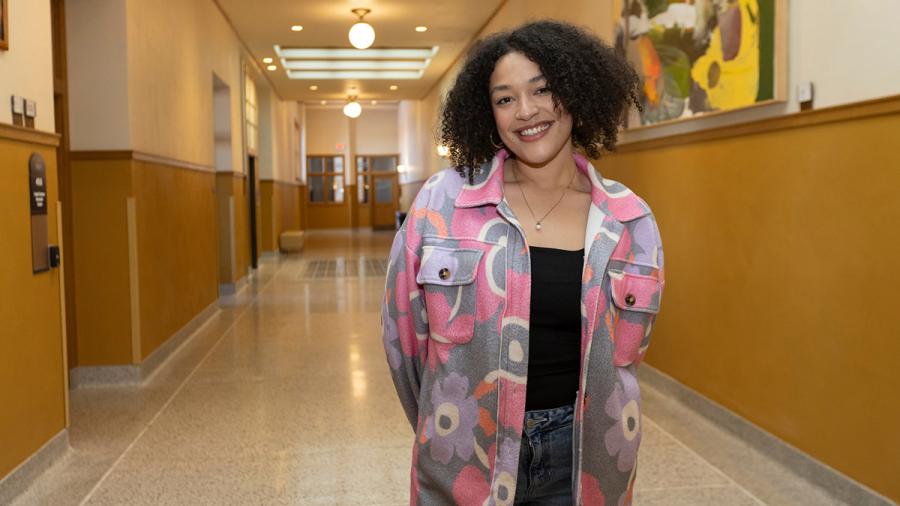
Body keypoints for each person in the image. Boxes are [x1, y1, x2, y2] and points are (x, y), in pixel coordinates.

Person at [382, 19, 664, 505]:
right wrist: (441, 420)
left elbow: (627, 360)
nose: (526, 112)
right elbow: (404, 340)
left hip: (584, 463)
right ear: (486, 112)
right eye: (505, 98)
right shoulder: (442, 204)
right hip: (465, 455)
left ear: (575, 91)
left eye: (542, 89)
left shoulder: (629, 222)